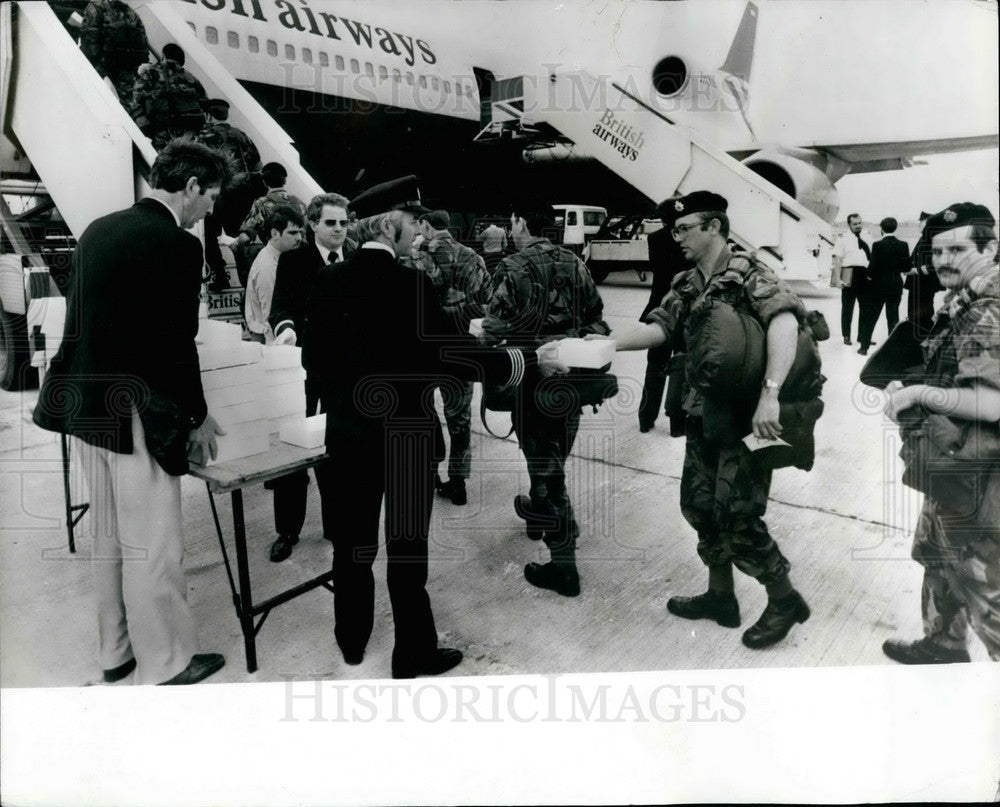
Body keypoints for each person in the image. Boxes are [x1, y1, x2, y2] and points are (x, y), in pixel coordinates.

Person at [305, 176, 565, 678]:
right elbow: (453, 354)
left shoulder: (326, 283)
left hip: (349, 436)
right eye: (413, 220)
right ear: (391, 224)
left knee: (352, 546)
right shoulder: (409, 284)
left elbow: (314, 362)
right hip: (406, 437)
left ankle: (352, 642)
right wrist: (525, 359)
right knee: (406, 549)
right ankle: (412, 653)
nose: (420, 229)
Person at [31, 140, 229, 685]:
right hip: (135, 412)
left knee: (110, 537)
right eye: (210, 196)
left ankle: (115, 654)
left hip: (85, 407)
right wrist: (196, 415)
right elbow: (176, 344)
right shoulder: (177, 244)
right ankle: (167, 662)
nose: (210, 208)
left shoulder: (97, 229)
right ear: (190, 187)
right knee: (154, 544)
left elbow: (85, 324)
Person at [606, 190, 811, 649]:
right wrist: (608, 345)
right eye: (673, 230)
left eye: (683, 228)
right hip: (704, 415)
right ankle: (721, 596)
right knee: (700, 506)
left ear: (714, 227)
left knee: (739, 516)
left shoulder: (751, 274)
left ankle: (784, 600)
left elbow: (784, 323)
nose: (675, 237)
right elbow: (661, 327)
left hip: (746, 418)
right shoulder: (687, 282)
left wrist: (771, 396)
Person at [882, 202, 1000, 664]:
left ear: (990, 247)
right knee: (937, 554)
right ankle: (944, 643)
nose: (944, 260)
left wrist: (917, 395)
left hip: (983, 468)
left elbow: (991, 402)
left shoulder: (989, 310)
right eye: (937, 251)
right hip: (956, 459)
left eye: (957, 249)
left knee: (982, 581)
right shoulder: (965, 300)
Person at [481, 205, 610, 597]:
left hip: (533, 383)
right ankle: (537, 515)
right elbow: (598, 322)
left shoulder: (514, 265)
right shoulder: (575, 262)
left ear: (519, 221)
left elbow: (492, 330)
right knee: (551, 461)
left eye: (510, 222)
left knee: (548, 472)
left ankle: (564, 565)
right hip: (571, 383)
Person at [265, 192, 356, 563]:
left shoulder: (355, 259)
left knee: (338, 449)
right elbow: (280, 307)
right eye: (330, 223)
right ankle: (288, 530)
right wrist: (286, 329)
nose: (338, 230)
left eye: (343, 223)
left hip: (343, 373)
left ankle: (336, 524)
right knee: (293, 450)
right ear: (313, 225)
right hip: (301, 369)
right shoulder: (294, 260)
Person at [412, 209, 492, 505]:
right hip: (462, 345)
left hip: (425, 344)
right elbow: (487, 296)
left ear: (425, 225)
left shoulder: (417, 254)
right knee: (459, 418)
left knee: (421, 410)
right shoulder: (472, 255)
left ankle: (429, 473)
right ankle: (458, 483)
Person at [637, 200, 694, 433]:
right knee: (680, 367)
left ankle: (646, 419)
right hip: (685, 308)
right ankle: (677, 424)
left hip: (659, 306)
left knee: (654, 367)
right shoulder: (688, 239)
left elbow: (657, 269)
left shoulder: (655, 239)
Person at [196, 98, 263, 290]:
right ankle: (249, 277)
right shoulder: (241, 135)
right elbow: (257, 165)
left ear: (209, 115)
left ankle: (219, 275)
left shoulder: (205, 136)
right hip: (244, 193)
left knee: (209, 235)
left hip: (221, 194)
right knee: (240, 236)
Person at [235, 161, 306, 286]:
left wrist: (235, 243)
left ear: (265, 182)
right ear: (284, 181)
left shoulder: (262, 203)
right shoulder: (299, 202)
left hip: (276, 261)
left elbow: (245, 236)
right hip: (301, 259)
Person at [244, 205, 305, 344]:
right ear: (275, 234)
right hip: (271, 343)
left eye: (300, 232)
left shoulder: (279, 259)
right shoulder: (269, 266)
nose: (299, 238)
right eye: (293, 233)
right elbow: (271, 316)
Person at [130, 43, 207, 150]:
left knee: (164, 158)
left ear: (163, 56)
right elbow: (204, 102)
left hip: (162, 128)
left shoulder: (151, 71)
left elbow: (137, 97)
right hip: (189, 130)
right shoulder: (191, 78)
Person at [78, 0, 150, 105]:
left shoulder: (96, 8)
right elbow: (144, 51)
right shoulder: (132, 14)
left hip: (100, 75)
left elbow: (90, 46)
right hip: (125, 80)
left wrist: (100, 73)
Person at [857, 216, 908, 354]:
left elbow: (872, 268)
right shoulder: (904, 245)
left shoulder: (877, 245)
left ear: (881, 228)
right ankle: (892, 351)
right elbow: (906, 267)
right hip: (896, 286)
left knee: (871, 317)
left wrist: (869, 275)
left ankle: (864, 348)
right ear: (895, 228)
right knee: (893, 319)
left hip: (878, 287)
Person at [831, 213, 871, 346]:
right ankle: (846, 336)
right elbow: (837, 259)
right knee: (848, 308)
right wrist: (838, 279)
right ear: (849, 225)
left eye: (859, 223)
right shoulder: (843, 239)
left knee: (866, 308)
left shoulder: (867, 236)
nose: (858, 226)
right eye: (855, 224)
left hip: (864, 274)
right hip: (849, 273)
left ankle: (863, 337)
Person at [906, 212, 944, 339]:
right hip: (917, 283)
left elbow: (935, 264)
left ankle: (924, 341)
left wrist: (915, 271)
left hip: (925, 284)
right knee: (913, 313)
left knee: (923, 315)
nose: (919, 224)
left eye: (921, 222)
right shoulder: (924, 237)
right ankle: (916, 340)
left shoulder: (934, 239)